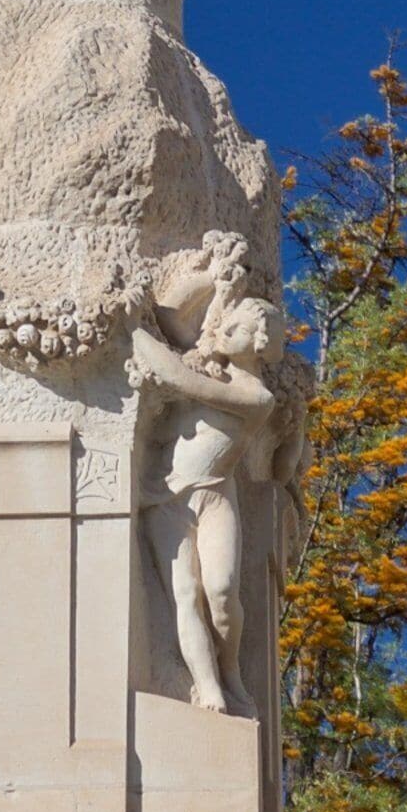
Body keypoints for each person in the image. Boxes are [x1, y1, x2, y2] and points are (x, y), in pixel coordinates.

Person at [128, 289, 281, 716]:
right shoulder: (206, 360)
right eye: (226, 325)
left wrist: (132, 330)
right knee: (185, 591)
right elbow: (169, 314)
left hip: (214, 496)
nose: (225, 332)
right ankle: (207, 685)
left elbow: (180, 380)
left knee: (221, 592)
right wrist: (212, 276)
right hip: (165, 494)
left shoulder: (258, 398)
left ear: (261, 342)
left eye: (239, 329)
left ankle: (229, 667)